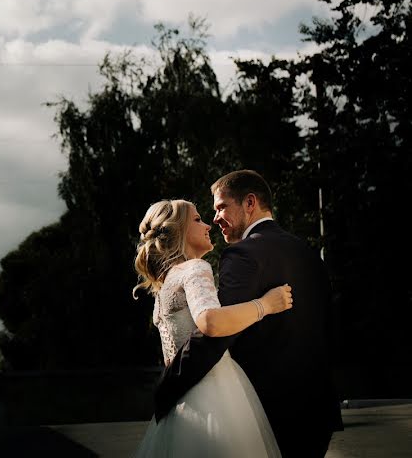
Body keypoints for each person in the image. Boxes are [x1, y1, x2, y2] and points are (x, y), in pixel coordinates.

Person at [154, 170, 343, 458]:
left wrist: (170, 384)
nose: (215, 218)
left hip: (270, 411)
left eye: (220, 207)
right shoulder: (306, 251)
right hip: (319, 409)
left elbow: (218, 333)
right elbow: (329, 327)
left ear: (249, 203)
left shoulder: (243, 254)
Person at [132, 198, 292, 457]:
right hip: (212, 393)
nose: (208, 225)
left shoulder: (165, 284)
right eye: (197, 219)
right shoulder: (194, 268)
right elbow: (211, 322)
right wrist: (266, 305)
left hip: (180, 401)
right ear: (178, 230)